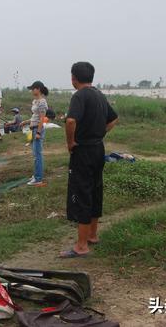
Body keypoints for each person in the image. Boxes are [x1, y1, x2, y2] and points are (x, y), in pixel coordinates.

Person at [60, 62, 118, 259]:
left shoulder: (79, 96)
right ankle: (92, 235)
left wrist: (71, 142)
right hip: (97, 148)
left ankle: (81, 246)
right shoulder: (99, 95)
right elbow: (113, 119)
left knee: (82, 193)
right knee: (95, 189)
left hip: (83, 150)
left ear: (74, 78)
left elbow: (70, 121)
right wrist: (100, 133)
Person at [20, 81, 49, 186]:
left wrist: (38, 132)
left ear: (39, 89)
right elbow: (35, 117)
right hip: (33, 128)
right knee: (35, 154)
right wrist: (25, 122)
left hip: (37, 129)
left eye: (33, 89)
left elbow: (42, 119)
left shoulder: (42, 102)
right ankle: (36, 175)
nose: (32, 91)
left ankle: (38, 178)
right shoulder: (35, 101)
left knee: (38, 155)